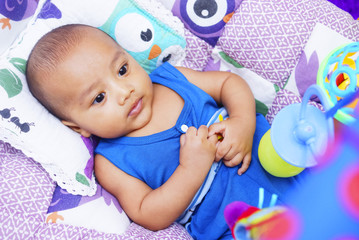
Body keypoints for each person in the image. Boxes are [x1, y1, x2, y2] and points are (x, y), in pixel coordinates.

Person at [26, 24, 304, 240]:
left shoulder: (171, 78)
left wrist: (242, 122)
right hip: (242, 224)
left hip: (285, 164)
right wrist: (190, 169)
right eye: (99, 98)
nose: (125, 91)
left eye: (122, 69)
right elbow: (149, 213)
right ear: (78, 127)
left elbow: (228, 83)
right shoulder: (111, 161)